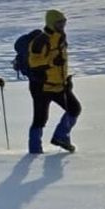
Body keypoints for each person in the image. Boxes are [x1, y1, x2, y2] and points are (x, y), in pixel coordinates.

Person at [27, 10, 82, 154]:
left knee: (74, 109)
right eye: (59, 22)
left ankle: (61, 136)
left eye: (64, 22)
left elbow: (61, 63)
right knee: (40, 119)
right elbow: (33, 62)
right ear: (51, 23)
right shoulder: (41, 40)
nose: (63, 25)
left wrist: (65, 79)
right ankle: (35, 151)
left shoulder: (61, 38)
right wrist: (52, 61)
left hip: (59, 85)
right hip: (41, 87)